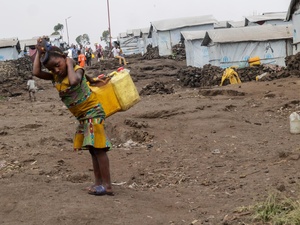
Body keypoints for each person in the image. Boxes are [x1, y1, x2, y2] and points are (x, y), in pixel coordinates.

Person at [32, 37, 113, 196]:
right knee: (92, 149)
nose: (56, 70)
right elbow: (35, 72)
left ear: (64, 58)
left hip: (92, 111)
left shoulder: (77, 69)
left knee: (99, 149)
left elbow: (75, 81)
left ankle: (107, 186)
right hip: (83, 116)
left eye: (58, 65)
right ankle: (98, 182)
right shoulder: (56, 77)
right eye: (52, 69)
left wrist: (69, 62)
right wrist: (38, 53)